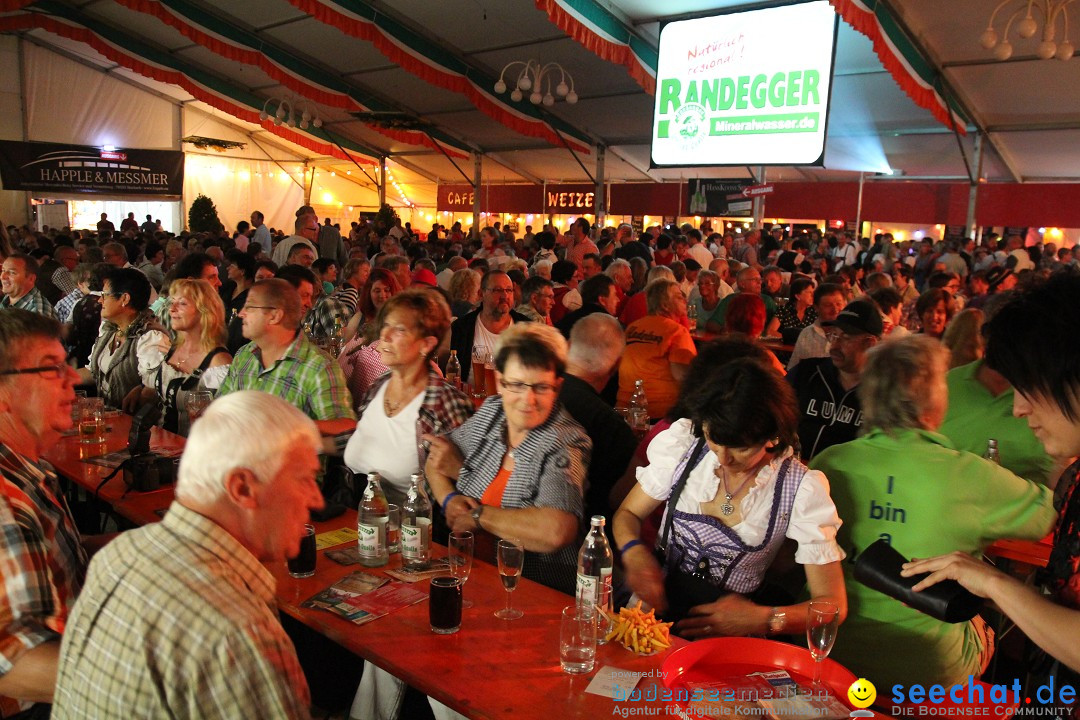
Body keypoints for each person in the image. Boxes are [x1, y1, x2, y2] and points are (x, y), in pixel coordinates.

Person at [53, 391, 321, 719]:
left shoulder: (120, 555)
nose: (316, 499)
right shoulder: (238, 634)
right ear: (242, 488)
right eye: (304, 479)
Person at [810, 334, 1055, 689]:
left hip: (830, 648)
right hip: (925, 669)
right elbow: (1048, 515)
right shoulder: (970, 474)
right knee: (989, 622)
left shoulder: (829, 462)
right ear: (934, 399)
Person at [612, 357, 847, 631]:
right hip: (651, 617)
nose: (723, 458)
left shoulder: (800, 488)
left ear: (772, 437)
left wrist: (764, 618)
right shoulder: (684, 448)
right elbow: (627, 514)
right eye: (714, 440)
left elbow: (833, 606)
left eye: (741, 448)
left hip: (730, 636)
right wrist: (634, 551)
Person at [425, 323, 590, 594]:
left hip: (534, 591)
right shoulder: (493, 413)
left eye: (541, 387)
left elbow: (557, 530)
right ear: (500, 381)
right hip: (473, 577)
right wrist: (450, 500)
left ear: (558, 387)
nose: (528, 400)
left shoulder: (564, 440)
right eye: (516, 385)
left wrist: (478, 515)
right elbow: (436, 455)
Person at [0, 310, 89, 715]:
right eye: (53, 369)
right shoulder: (5, 500)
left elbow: (44, 556)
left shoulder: (27, 467)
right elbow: (12, 664)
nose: (74, 380)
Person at [343, 289, 473, 506]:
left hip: (414, 532)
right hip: (360, 524)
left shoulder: (445, 403)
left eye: (400, 330)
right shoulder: (378, 386)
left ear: (427, 344)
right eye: (385, 325)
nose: (384, 336)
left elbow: (472, 484)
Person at [218, 278, 354, 421]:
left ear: (274, 316)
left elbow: (344, 430)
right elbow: (220, 408)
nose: (241, 314)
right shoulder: (244, 355)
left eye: (250, 307)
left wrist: (284, 429)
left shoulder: (318, 367)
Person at [125, 279, 231, 436]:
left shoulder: (218, 361)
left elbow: (225, 422)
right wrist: (140, 390)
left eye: (182, 303)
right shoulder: (174, 348)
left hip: (193, 450)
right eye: (172, 302)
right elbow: (165, 392)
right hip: (162, 445)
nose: (172, 309)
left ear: (205, 311)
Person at [561, 313, 637, 523]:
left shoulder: (529, 397)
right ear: (616, 365)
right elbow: (620, 504)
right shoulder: (612, 430)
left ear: (567, 346)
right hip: (579, 539)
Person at [788, 300, 882, 461]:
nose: (835, 345)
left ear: (870, 343)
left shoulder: (884, 391)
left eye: (845, 338)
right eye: (834, 335)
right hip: (796, 477)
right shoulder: (808, 372)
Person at [82, 268, 168, 408]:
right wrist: (60, 375)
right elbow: (93, 371)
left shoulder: (149, 337)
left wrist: (142, 390)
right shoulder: (110, 332)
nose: (99, 300)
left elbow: (156, 386)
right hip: (108, 419)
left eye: (105, 295)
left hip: (136, 425)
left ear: (124, 299)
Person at [618, 279, 697, 419]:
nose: (684, 300)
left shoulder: (633, 327)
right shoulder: (676, 332)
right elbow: (684, 377)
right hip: (660, 413)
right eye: (679, 296)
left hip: (624, 408)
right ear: (665, 305)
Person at [448, 271, 530, 386]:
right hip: (473, 400)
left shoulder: (526, 328)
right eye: (497, 290)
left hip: (514, 400)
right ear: (481, 294)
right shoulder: (462, 328)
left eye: (509, 290)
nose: (505, 296)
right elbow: (450, 371)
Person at [786, 283, 846, 369]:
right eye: (828, 305)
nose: (835, 309)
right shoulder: (807, 334)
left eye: (839, 304)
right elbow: (794, 368)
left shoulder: (852, 335)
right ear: (816, 307)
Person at [1, 254, 57, 319]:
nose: (2, 277)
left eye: (12, 272)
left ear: (31, 278)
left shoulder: (38, 313)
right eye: (3, 270)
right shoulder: (9, 298)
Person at [776, 276, 817, 345]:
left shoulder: (814, 313)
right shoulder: (784, 310)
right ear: (798, 296)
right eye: (809, 292)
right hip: (786, 351)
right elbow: (770, 331)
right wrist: (788, 339)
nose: (813, 295)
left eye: (813, 292)